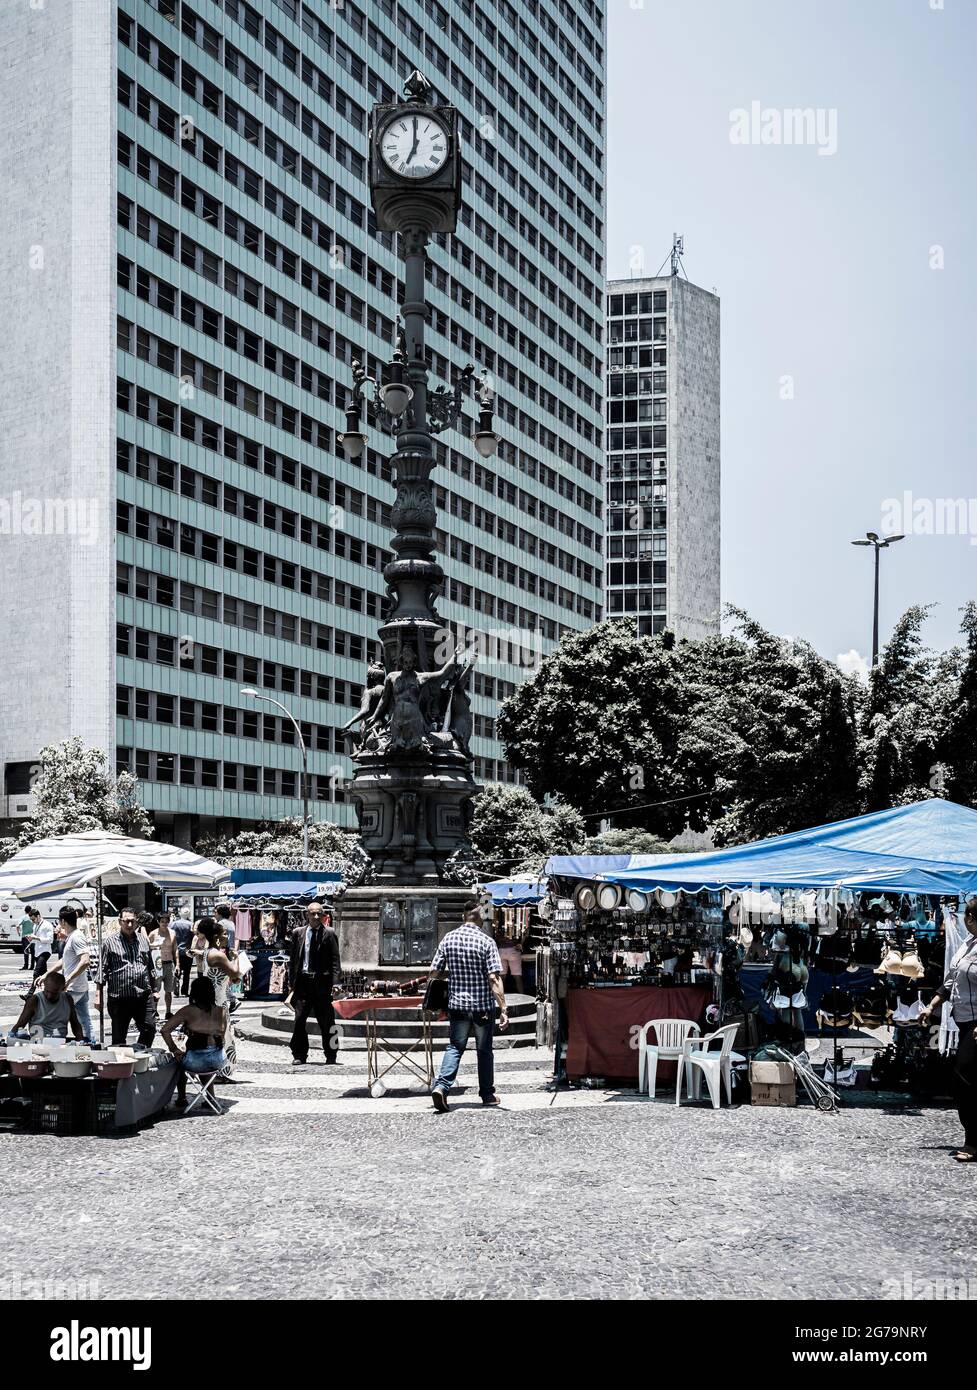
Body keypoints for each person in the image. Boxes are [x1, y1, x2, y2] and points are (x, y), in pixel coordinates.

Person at [428, 906, 509, 1112]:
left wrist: (453, 976)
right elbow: (494, 978)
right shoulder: (486, 941)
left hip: (457, 1005)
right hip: (482, 1007)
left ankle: (441, 1087)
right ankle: (488, 1095)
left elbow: (434, 972)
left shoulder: (449, 938)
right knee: (484, 1051)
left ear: (463, 916)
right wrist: (503, 1008)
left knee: (455, 1047)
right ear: (480, 916)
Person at [920, 895, 977, 1162]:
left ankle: (973, 1143)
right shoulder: (967, 944)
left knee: (964, 1080)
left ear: (971, 919)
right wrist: (931, 1006)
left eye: (968, 916)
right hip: (963, 1021)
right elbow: (951, 980)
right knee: (964, 1081)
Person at [161, 976, 229, 1111]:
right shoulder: (221, 1011)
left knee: (179, 1063)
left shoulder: (188, 1010)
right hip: (219, 1059)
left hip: (195, 1060)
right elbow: (222, 1034)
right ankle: (211, 1098)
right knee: (207, 1062)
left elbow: (165, 1030)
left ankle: (181, 1097)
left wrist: (174, 1049)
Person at [286, 902, 341, 1067]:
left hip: (322, 984)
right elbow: (293, 959)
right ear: (307, 915)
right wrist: (291, 983)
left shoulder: (329, 933)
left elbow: (335, 960)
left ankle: (331, 1054)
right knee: (299, 1020)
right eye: (313, 914)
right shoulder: (298, 933)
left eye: (319, 914)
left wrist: (336, 983)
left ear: (324, 915)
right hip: (303, 983)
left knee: (327, 1022)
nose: (316, 917)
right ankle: (299, 1054)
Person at [99, 908, 157, 1047]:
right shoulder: (110, 942)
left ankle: (139, 1053)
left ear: (137, 922)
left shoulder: (143, 940)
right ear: (120, 922)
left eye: (132, 921)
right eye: (126, 921)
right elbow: (102, 971)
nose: (130, 925)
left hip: (143, 995)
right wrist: (98, 994)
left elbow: (150, 967)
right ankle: (122, 1064)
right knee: (119, 1038)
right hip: (120, 997)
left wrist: (155, 989)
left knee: (150, 1028)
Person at [195, 918, 242, 1075]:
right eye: (224, 934)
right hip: (218, 999)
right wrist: (236, 958)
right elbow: (235, 973)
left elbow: (231, 977)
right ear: (216, 937)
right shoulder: (218, 955)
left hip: (216, 997)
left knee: (219, 1033)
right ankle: (222, 1069)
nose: (226, 937)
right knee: (222, 1035)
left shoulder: (209, 952)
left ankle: (219, 1068)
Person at [11, 972, 83, 1040]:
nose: (49, 996)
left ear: (63, 989)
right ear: (44, 985)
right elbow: (20, 1026)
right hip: (39, 1044)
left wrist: (81, 1042)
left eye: (54, 993)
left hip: (60, 1043)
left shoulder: (67, 999)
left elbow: (75, 1024)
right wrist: (11, 1038)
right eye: (47, 991)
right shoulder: (35, 1000)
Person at [57, 908, 93, 1042]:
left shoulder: (76, 937)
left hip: (74, 988)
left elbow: (85, 961)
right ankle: (89, 1043)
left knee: (60, 1018)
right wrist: (48, 973)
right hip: (79, 987)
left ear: (63, 922)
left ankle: (59, 1044)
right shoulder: (72, 936)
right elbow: (65, 960)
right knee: (84, 1020)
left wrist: (68, 979)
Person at [149, 911, 178, 1020]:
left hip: (169, 963)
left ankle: (168, 1011)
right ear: (158, 922)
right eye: (162, 922)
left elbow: (175, 949)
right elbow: (146, 946)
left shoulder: (172, 933)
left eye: (166, 922)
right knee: (155, 989)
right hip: (157, 964)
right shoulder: (153, 933)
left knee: (169, 990)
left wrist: (178, 964)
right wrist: (154, 945)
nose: (164, 924)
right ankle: (155, 1011)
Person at [169, 906, 195, 997]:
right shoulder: (191, 924)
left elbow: (170, 935)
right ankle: (184, 991)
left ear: (180, 913)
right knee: (187, 973)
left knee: (177, 969)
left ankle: (176, 984)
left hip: (176, 950)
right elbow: (193, 937)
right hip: (188, 951)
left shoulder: (173, 924)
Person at [494, 922, 524, 995]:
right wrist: (521, 943)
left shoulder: (498, 925)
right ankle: (522, 995)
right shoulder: (515, 924)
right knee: (517, 976)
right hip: (513, 950)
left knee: (501, 977)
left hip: (501, 950)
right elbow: (524, 934)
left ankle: (501, 997)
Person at [29, 912, 55, 986]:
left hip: (45, 951)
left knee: (36, 972)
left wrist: (37, 938)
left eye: (33, 919)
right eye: (31, 920)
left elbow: (50, 940)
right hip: (37, 951)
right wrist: (31, 938)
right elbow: (35, 939)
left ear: (38, 916)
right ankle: (50, 989)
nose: (33, 921)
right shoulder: (35, 926)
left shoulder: (47, 925)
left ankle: (29, 994)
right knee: (43, 973)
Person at [20, 906, 37, 971]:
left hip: (25, 937)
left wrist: (18, 932)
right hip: (32, 937)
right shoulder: (33, 917)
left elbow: (18, 925)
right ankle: (32, 966)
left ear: (25, 911)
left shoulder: (23, 917)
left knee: (26, 951)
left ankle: (26, 965)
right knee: (33, 952)